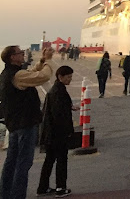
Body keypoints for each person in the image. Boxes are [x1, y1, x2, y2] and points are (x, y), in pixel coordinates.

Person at [0, 45, 55, 199]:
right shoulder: (17, 76)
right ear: (12, 57)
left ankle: (5, 194)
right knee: (23, 163)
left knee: (11, 162)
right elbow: (42, 77)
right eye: (20, 53)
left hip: (14, 124)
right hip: (25, 124)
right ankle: (17, 195)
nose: (23, 54)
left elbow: (30, 73)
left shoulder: (7, 74)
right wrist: (49, 61)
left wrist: (42, 60)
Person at [36, 66, 75, 197]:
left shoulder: (55, 90)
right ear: (60, 77)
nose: (70, 79)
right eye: (68, 77)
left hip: (49, 132)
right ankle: (60, 187)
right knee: (62, 160)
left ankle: (43, 187)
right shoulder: (59, 91)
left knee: (49, 160)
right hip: (58, 133)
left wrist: (69, 107)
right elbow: (59, 114)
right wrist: (68, 131)